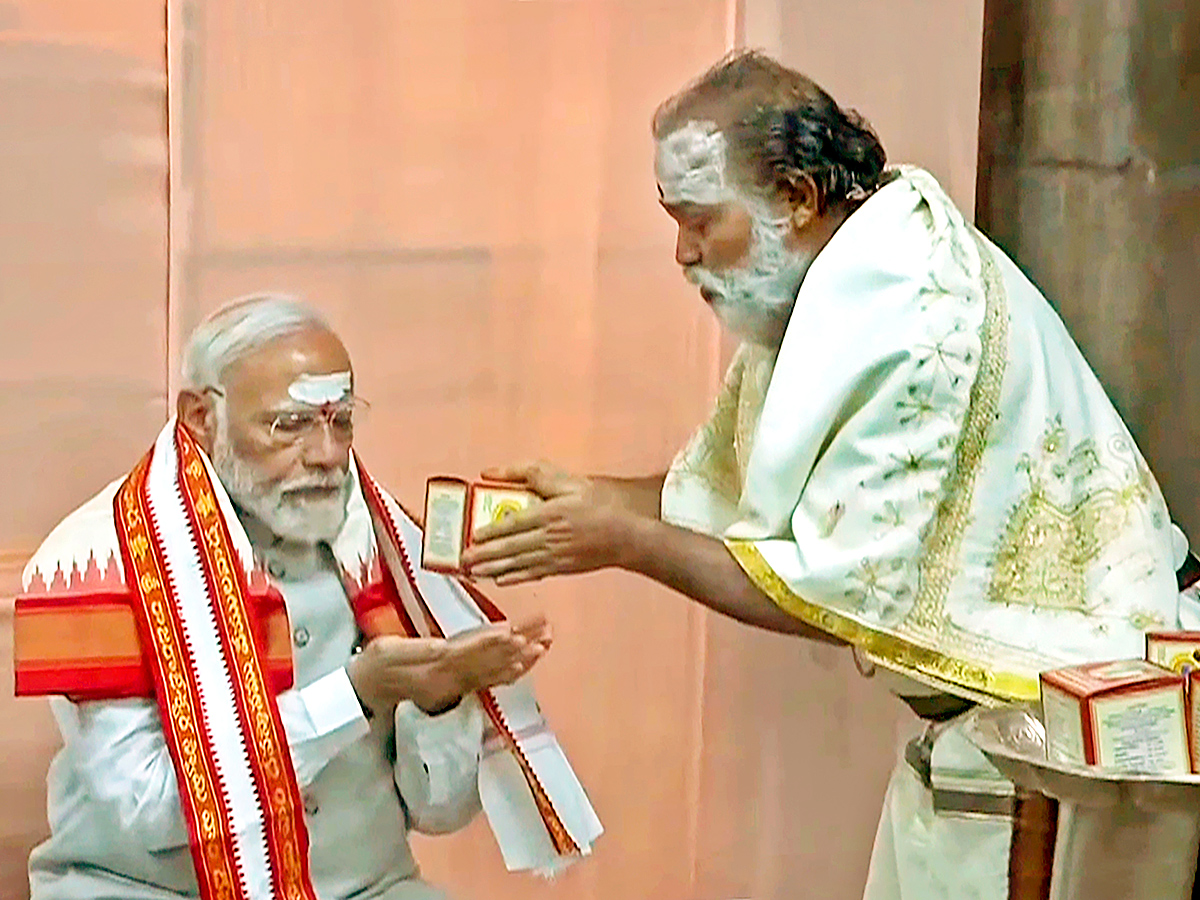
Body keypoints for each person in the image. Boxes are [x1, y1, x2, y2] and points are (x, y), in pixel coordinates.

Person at [461, 50, 1196, 899]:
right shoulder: (846, 273)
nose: (683, 252)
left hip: (1054, 755)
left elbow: (832, 586)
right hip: (975, 741)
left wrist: (622, 538)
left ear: (799, 199)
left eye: (700, 219)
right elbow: (739, 494)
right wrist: (593, 503)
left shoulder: (912, 312)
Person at [13, 296, 599, 900]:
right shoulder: (95, 561)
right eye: (288, 425)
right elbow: (152, 814)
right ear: (199, 418)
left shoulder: (386, 547)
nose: (326, 455)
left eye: (340, 420)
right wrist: (355, 695)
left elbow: (438, 814)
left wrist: (441, 697)